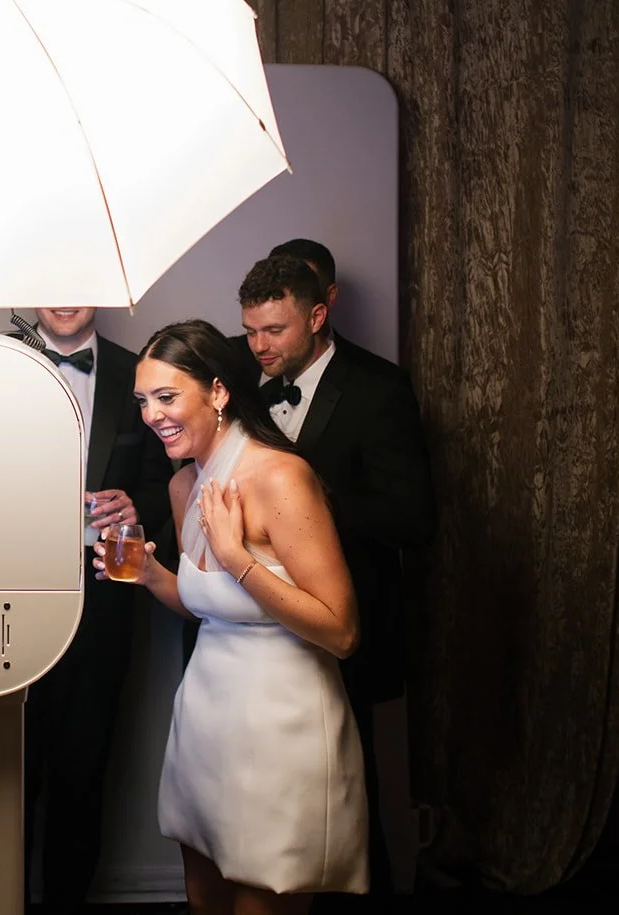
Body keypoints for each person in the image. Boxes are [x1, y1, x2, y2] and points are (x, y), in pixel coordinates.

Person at [99, 318, 367, 914]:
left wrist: (236, 558)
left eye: (167, 397)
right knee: (204, 896)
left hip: (278, 721)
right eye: (143, 401)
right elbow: (204, 605)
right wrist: (149, 573)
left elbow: (342, 630)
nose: (151, 416)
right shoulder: (183, 485)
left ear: (217, 392)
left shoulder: (280, 476)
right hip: (206, 711)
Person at [241, 251, 437, 901]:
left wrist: (313, 511)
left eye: (274, 331)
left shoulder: (380, 388)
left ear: (319, 315)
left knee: (348, 792)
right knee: (265, 793)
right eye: (250, 331)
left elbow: (414, 515)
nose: (259, 346)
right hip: (258, 629)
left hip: (343, 623)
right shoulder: (239, 385)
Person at [25, 306, 174, 914]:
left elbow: (174, 478)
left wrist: (135, 508)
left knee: (82, 776)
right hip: (6, 601)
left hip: (104, 601)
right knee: (1, 777)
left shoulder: (136, 373)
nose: (63, 297)